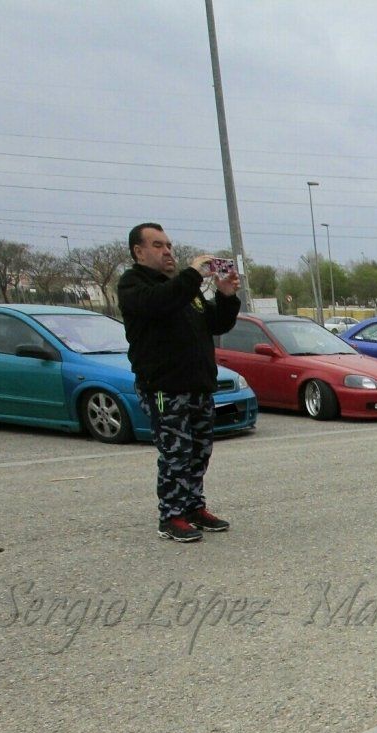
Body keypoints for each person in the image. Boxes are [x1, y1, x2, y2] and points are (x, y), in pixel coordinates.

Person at [118, 222, 240, 543]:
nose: (167, 251)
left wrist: (227, 297)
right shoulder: (136, 286)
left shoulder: (185, 290)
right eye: (158, 245)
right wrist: (192, 274)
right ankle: (171, 516)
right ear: (139, 251)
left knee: (199, 451)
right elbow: (159, 302)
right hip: (164, 389)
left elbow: (217, 323)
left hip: (197, 386)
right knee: (176, 452)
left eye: (169, 245)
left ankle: (193, 507)